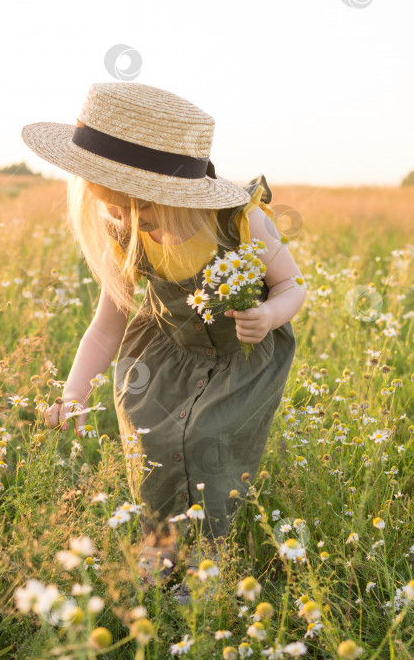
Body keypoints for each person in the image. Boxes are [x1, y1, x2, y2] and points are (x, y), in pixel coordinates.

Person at [21, 81, 306, 601]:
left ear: (178, 194)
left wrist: (267, 314)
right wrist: (73, 393)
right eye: (113, 209)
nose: (129, 222)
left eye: (142, 210)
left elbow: (293, 284)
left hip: (237, 352)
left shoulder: (238, 221)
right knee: (149, 437)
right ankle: (161, 542)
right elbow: (107, 325)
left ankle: (210, 557)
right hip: (165, 351)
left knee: (209, 439)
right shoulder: (123, 229)